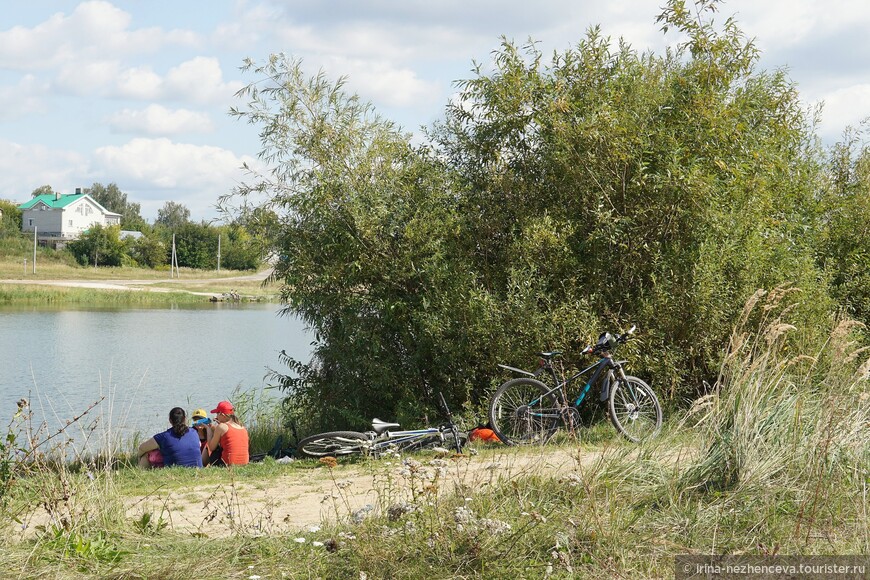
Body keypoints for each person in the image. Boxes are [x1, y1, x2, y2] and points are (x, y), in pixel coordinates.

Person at [138, 407, 203, 468]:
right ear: (185, 419)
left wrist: (139, 457)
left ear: (170, 420)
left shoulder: (164, 436)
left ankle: (140, 474)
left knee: (146, 455)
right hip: (198, 469)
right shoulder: (194, 432)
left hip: (176, 471)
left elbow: (142, 448)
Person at [202, 400, 249, 466]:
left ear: (222, 414)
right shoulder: (242, 427)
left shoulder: (221, 427)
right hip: (244, 463)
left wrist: (208, 429)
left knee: (208, 445)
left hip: (227, 464)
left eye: (217, 414)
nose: (216, 416)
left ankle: (202, 465)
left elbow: (211, 447)